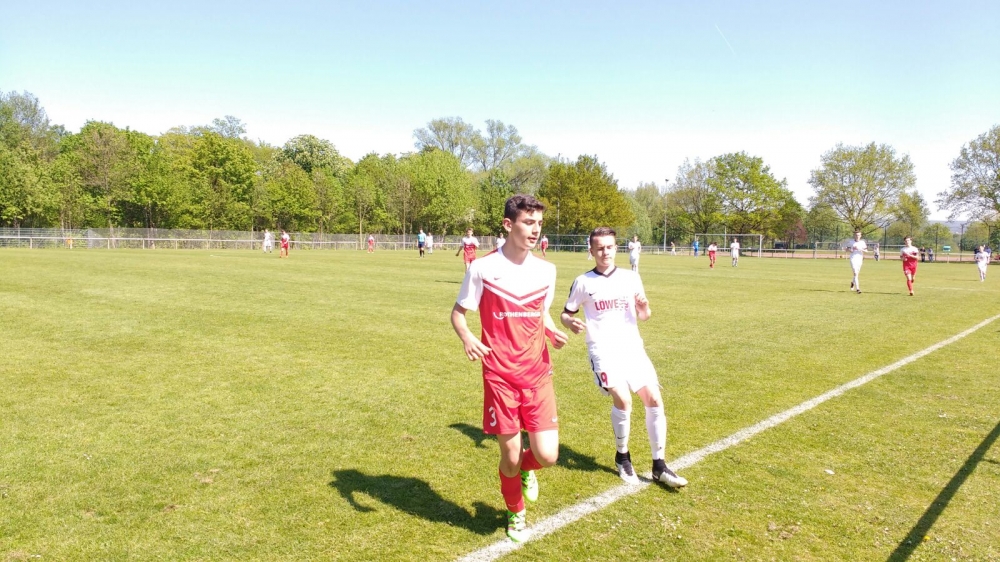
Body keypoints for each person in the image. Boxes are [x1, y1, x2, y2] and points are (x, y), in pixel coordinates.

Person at [450, 194, 569, 543]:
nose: (535, 230)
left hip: (538, 372)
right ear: (508, 224)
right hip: (499, 375)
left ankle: (525, 472)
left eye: (539, 224)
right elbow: (458, 314)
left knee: (547, 455)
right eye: (528, 222)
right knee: (511, 455)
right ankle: (516, 512)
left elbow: (540, 313)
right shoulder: (482, 269)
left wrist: (551, 331)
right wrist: (468, 338)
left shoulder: (547, 270)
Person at [561, 227, 688, 489]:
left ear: (616, 248)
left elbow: (644, 315)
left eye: (609, 247)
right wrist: (569, 322)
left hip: (632, 348)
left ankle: (659, 466)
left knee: (654, 398)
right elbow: (566, 313)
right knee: (624, 400)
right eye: (599, 248)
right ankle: (623, 457)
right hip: (602, 350)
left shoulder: (631, 277)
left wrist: (644, 308)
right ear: (591, 250)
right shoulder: (583, 282)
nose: (605, 252)